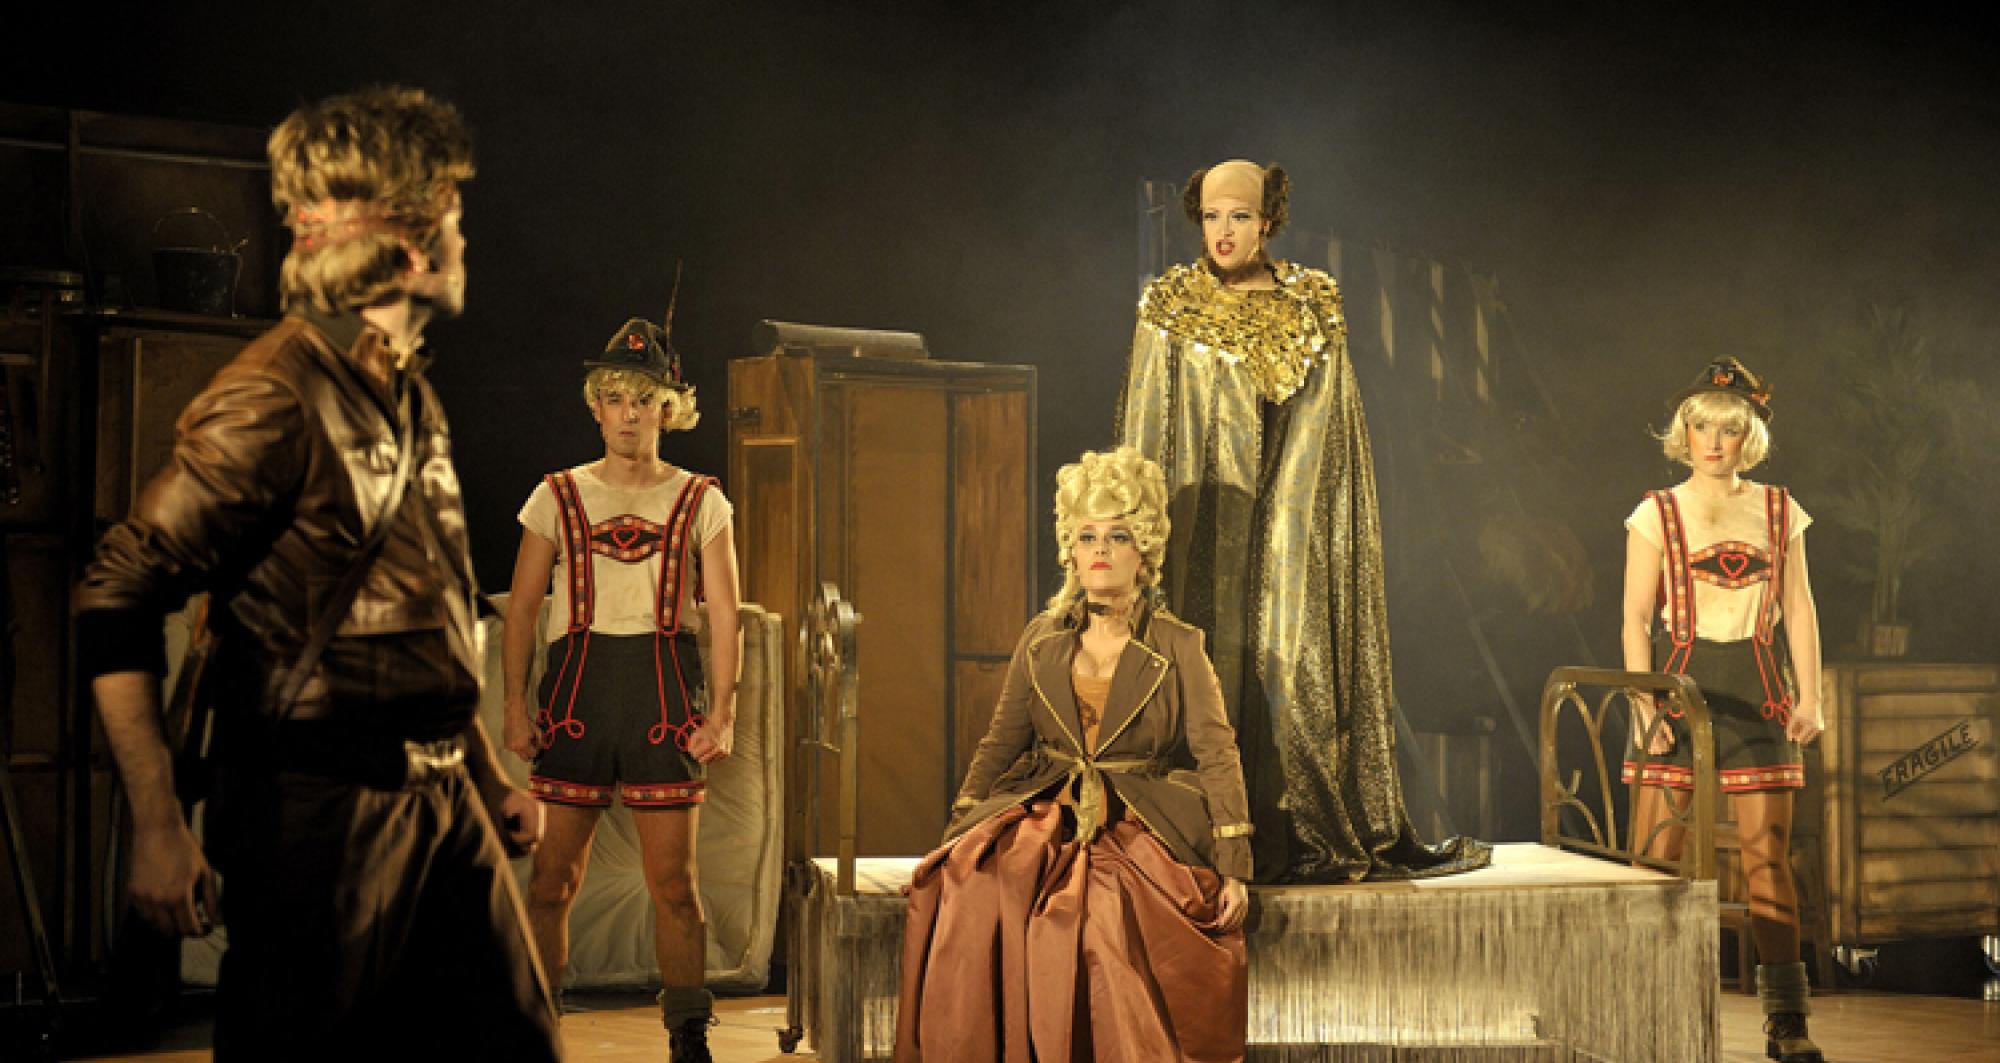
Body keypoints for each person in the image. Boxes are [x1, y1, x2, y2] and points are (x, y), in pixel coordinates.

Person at [76, 87, 561, 1059]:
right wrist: (158, 824)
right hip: (318, 815)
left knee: (516, 1046)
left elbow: (421, 607)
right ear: (406, 238)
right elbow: (116, 589)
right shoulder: (272, 393)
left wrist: (483, 770)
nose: (465, 233)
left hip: (443, 804)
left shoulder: (411, 393)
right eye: (450, 209)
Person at [1114, 158, 1488, 883]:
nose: (1224, 231)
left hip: (1290, 518)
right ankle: (1199, 825)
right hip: (1204, 518)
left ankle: (1295, 824)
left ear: (1268, 221)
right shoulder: (1170, 304)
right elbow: (1147, 424)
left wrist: (1303, 521)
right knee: (1204, 651)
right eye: (1212, 217)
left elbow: (1331, 430)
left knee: (1292, 656)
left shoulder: (1312, 303)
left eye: (1239, 217)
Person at [896, 446, 1253, 1063]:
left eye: (1118, 536)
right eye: (1088, 535)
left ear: (1143, 551)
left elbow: (1217, 752)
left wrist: (1234, 865)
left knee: (1098, 914)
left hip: (1138, 819)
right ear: (1070, 548)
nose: (1100, 549)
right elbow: (1001, 742)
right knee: (977, 888)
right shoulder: (1042, 638)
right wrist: (958, 831)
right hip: (1048, 810)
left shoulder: (1178, 645)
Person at [501, 312, 741, 1063]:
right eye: (614, 398)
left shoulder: (701, 500)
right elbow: (522, 608)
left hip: (662, 697)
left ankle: (688, 1039)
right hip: (575, 694)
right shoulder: (555, 496)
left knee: (676, 886)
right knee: (550, 882)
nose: (629, 414)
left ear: (668, 408)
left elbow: (725, 614)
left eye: (643, 399)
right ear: (595, 406)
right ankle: (538, 1031)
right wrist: (514, 703)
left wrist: (723, 711)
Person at [1621, 358, 1826, 1063]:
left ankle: (1787, 1021)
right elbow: (1634, 617)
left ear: (1749, 437)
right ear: (1683, 433)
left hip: (1759, 691)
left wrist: (1811, 695)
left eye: (1728, 429)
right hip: (1677, 693)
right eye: (1701, 426)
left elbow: (1799, 608)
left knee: (1769, 860)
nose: (1713, 442)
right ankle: (1644, 1016)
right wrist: (1644, 704)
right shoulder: (1656, 511)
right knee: (1656, 863)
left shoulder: (1780, 509)